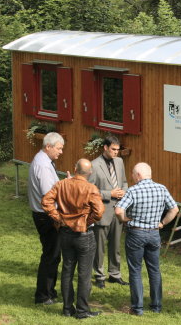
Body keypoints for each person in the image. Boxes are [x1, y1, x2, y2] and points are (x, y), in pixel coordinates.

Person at [42, 159, 104, 319]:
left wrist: (59, 218)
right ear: (89, 173)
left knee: (67, 270)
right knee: (84, 274)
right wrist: (84, 221)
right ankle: (82, 310)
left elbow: (46, 201)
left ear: (74, 168)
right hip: (84, 235)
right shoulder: (91, 188)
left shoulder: (62, 184)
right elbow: (98, 212)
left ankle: (68, 308)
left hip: (65, 233)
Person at [115, 162, 179, 316]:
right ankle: (156, 306)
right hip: (154, 234)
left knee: (135, 271)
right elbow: (174, 209)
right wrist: (162, 223)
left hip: (136, 234)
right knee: (154, 270)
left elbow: (118, 210)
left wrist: (125, 219)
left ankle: (137, 308)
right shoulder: (161, 188)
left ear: (138, 175)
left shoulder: (132, 190)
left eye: (132, 174)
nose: (131, 177)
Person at [28, 132, 65, 305]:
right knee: (51, 255)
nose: (61, 152)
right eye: (59, 148)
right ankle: (43, 296)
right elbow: (49, 194)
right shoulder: (43, 165)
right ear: (48, 146)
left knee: (53, 255)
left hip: (45, 215)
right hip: (46, 217)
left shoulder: (44, 160)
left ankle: (49, 292)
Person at [89, 136, 128, 289]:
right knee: (99, 247)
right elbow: (90, 191)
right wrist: (109, 194)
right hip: (102, 212)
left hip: (118, 210)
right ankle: (99, 276)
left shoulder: (119, 162)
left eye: (118, 150)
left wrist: (123, 192)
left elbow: (124, 181)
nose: (116, 153)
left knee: (116, 245)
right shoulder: (94, 165)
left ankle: (115, 274)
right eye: (113, 149)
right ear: (105, 147)